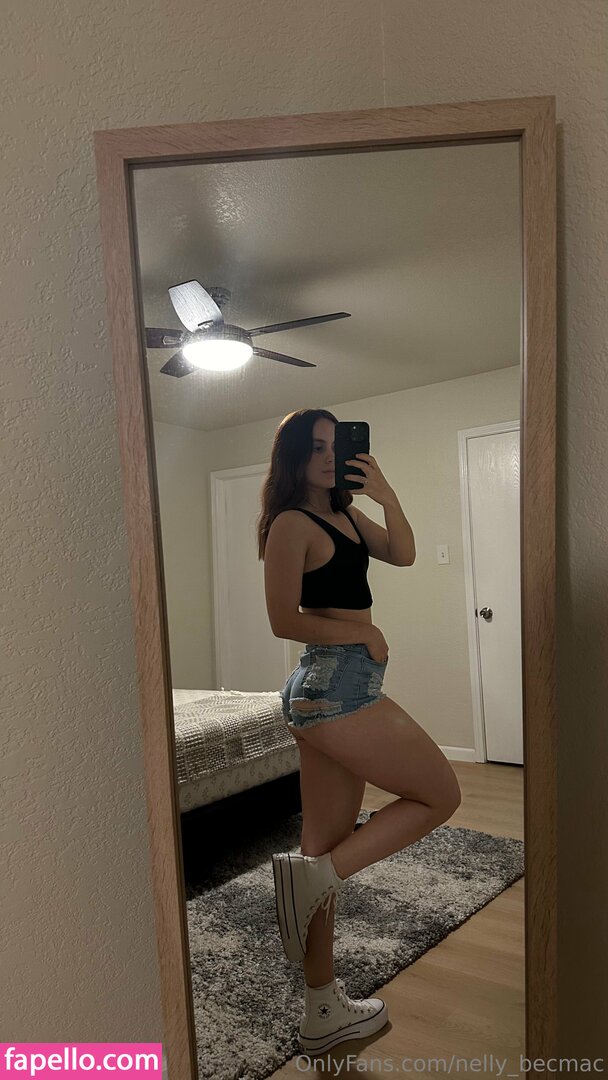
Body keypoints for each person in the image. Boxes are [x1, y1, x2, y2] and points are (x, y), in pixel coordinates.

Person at [257, 407, 462, 1054]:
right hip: (334, 685)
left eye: (334, 446)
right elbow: (282, 619)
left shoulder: (343, 515)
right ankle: (317, 877)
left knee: (320, 845)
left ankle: (322, 1009)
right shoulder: (291, 522)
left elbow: (402, 553)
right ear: (294, 457)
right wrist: (362, 633)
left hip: (340, 688)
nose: (327, 457)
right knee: (441, 794)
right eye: (315, 447)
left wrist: (386, 494)